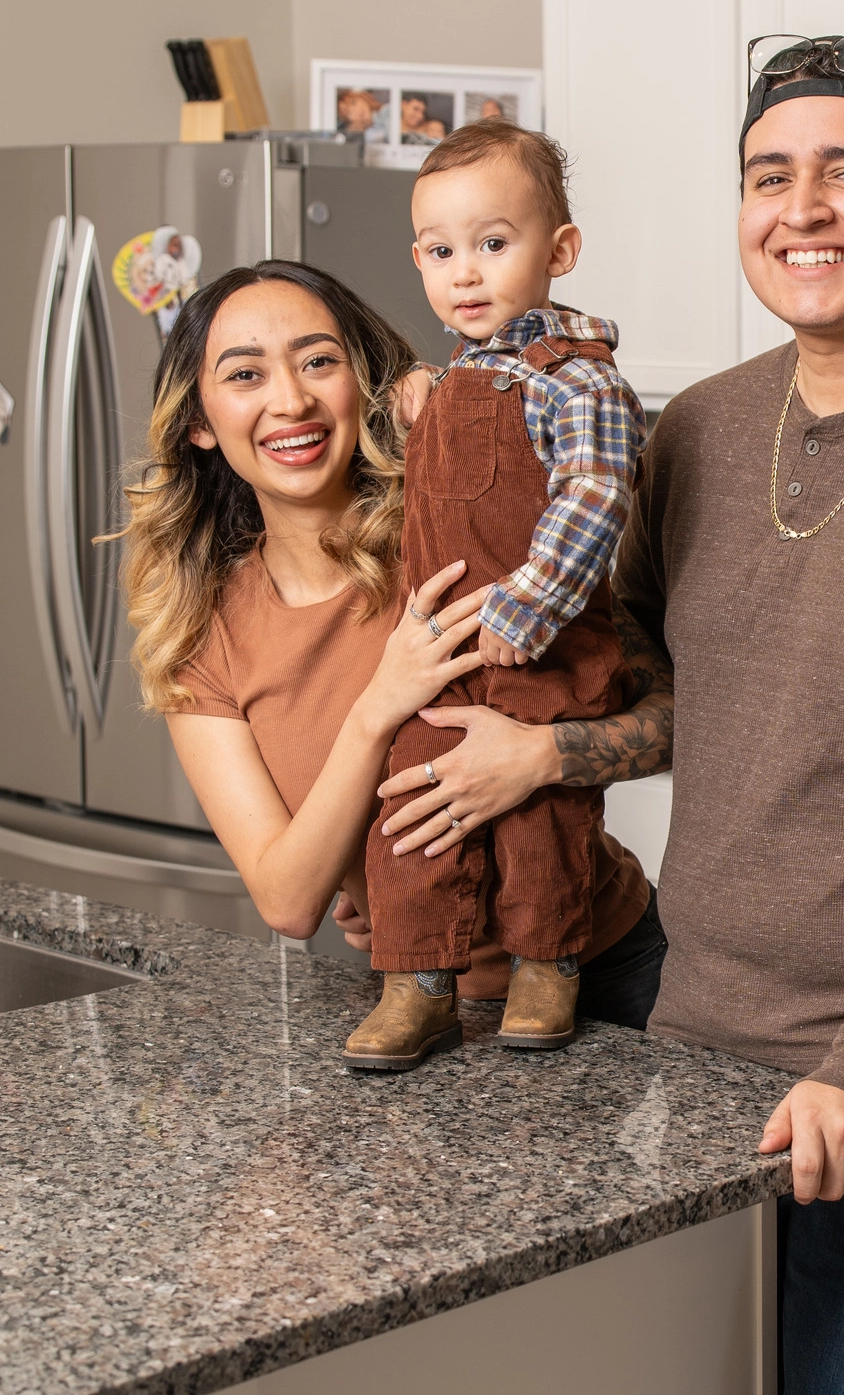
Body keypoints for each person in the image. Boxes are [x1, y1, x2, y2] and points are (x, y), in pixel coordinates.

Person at [392, 35, 844, 1393]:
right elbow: (650, 690)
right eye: (766, 176)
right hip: (691, 1041)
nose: (799, 210)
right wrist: (531, 748)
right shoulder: (700, 431)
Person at [116, 259, 670, 1046]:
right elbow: (288, 898)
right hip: (418, 1007)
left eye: (318, 361)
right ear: (199, 422)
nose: (291, 400)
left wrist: (540, 757)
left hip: (611, 968)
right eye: (245, 374)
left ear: (363, 382)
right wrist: (380, 705)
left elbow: (671, 719)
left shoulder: (464, 528)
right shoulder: (199, 632)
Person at [351, 119, 647, 1068]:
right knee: (410, 814)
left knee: (540, 823)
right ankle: (418, 985)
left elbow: (595, 495)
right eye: (441, 252)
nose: (465, 272)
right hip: (440, 658)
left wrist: (527, 609)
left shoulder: (579, 382)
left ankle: (545, 966)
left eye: (493, 243)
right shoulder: (451, 380)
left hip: (538, 651)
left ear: (557, 251)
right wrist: (414, 401)